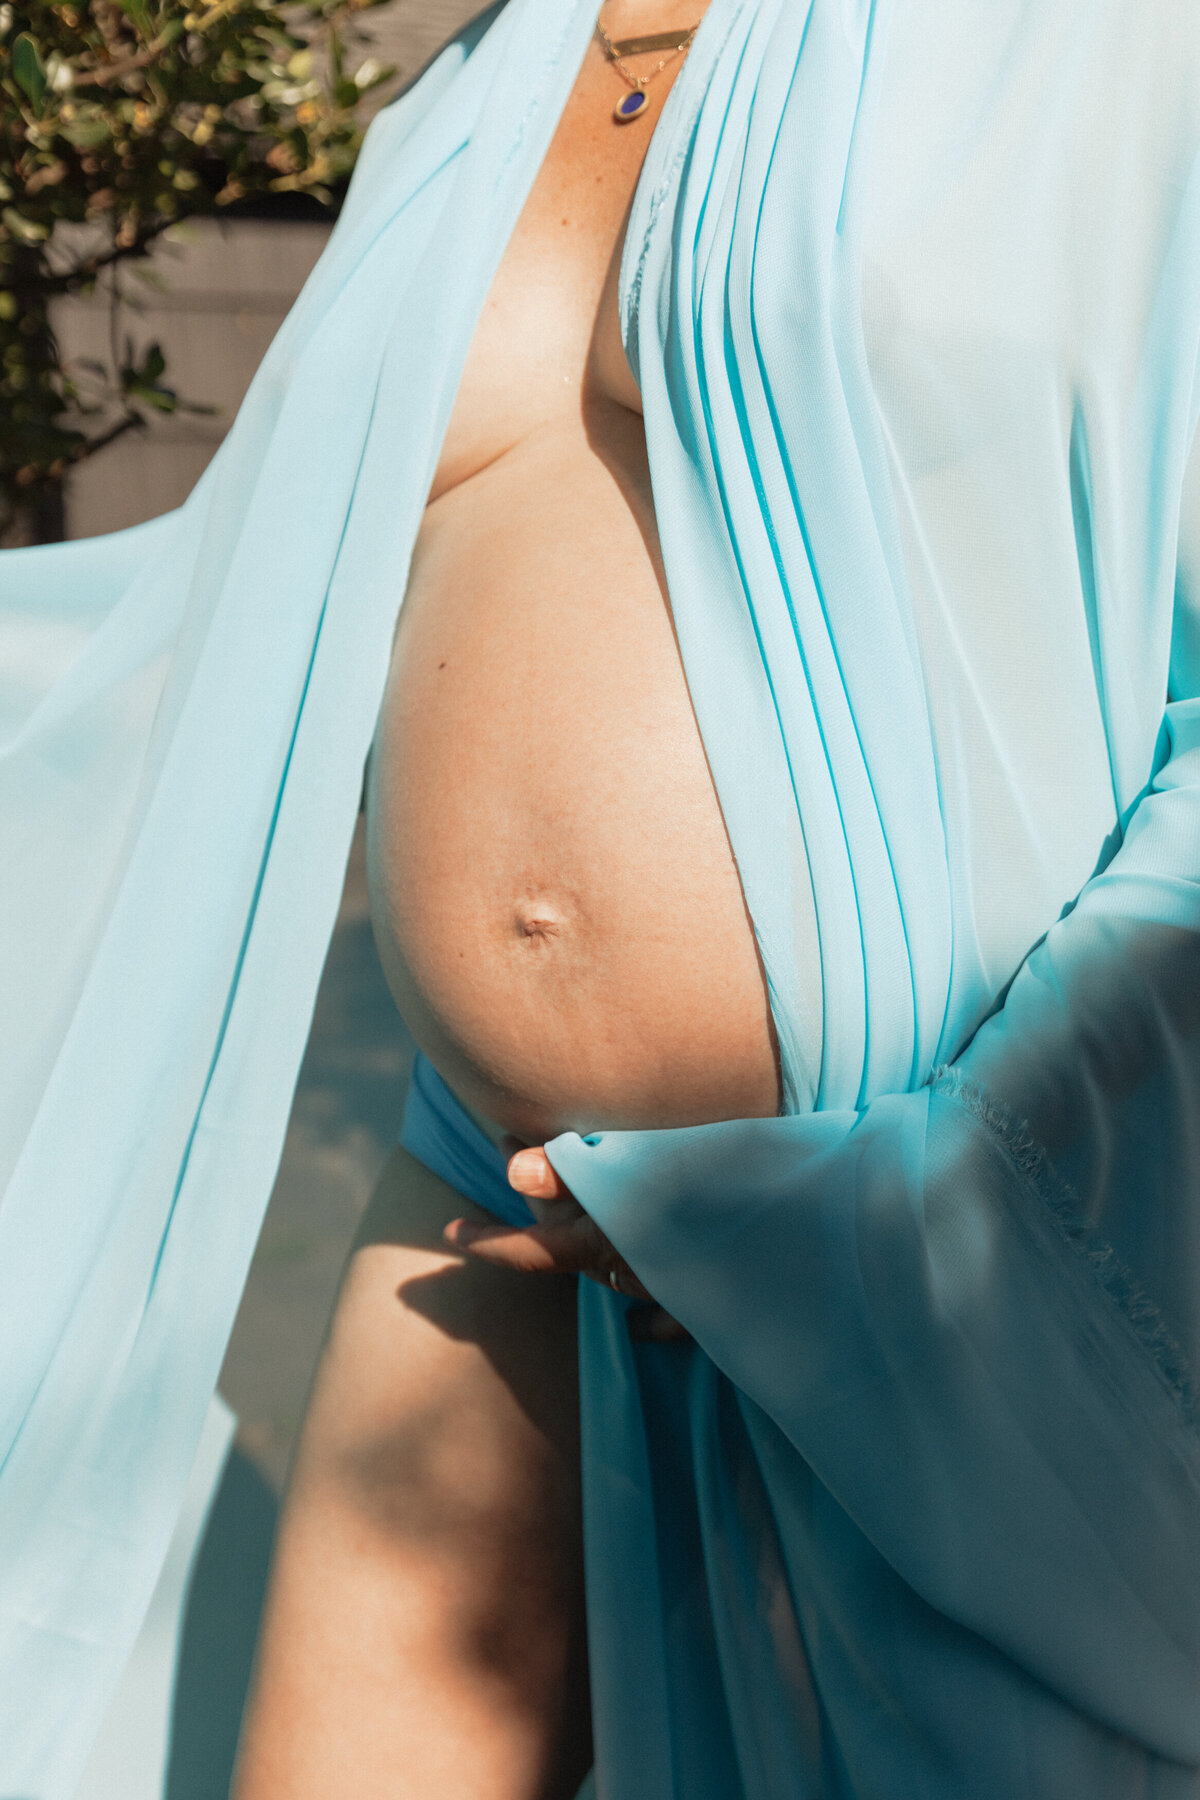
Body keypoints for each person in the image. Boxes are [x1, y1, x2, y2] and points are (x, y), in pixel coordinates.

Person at [3, 1, 1200, 1796]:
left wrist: (905, 1204)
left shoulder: (1108, 43)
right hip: (485, 1203)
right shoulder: (476, 95)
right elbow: (206, 606)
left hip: (928, 1254)